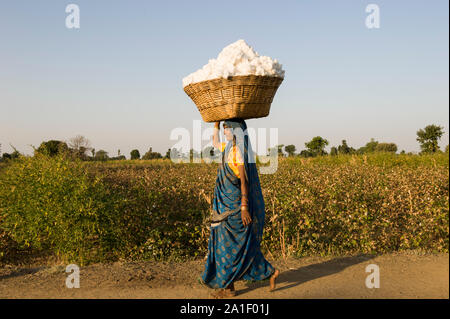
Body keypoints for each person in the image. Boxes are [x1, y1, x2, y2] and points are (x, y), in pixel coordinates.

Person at [199, 118, 279, 298]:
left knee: (231, 247)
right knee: (231, 246)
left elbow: (244, 182)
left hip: (234, 207)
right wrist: (216, 124)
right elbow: (215, 142)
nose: (225, 132)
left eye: (228, 129)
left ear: (236, 132)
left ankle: (229, 288)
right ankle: (264, 273)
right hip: (224, 206)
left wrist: (244, 207)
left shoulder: (238, 153)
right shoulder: (227, 149)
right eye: (225, 129)